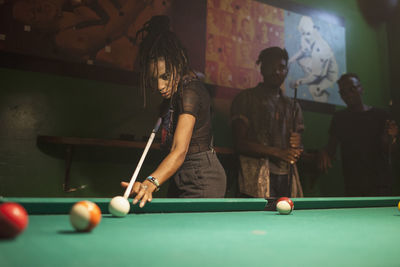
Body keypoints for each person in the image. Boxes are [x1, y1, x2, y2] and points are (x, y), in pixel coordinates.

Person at [122, 15, 227, 207]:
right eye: (154, 79)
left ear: (179, 64)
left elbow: (179, 151)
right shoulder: (176, 94)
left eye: (165, 76)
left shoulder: (189, 92)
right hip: (182, 176)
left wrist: (150, 182)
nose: (160, 86)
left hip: (202, 179)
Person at [231, 46, 304, 199]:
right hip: (254, 178)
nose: (277, 71)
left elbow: (298, 145)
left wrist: (298, 146)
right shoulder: (246, 98)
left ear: (287, 70)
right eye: (271, 66)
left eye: (281, 67)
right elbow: (239, 143)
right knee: (255, 221)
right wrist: (278, 152)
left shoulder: (293, 106)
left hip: (287, 177)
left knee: (288, 222)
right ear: (262, 68)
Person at [318, 73, 398, 196]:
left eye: (352, 89)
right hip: (353, 187)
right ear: (341, 96)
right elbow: (330, 150)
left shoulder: (381, 115)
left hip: (380, 186)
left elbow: (389, 149)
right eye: (344, 92)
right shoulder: (339, 118)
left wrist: (392, 137)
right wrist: (324, 153)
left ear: (361, 89)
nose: (348, 94)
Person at [288, 16, 338, 103]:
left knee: (314, 89)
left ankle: (322, 94)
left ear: (314, 30)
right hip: (318, 67)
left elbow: (315, 75)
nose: (305, 37)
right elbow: (303, 50)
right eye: (303, 34)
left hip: (328, 76)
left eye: (307, 34)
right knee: (301, 60)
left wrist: (299, 82)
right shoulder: (307, 36)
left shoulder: (320, 50)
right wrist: (290, 60)